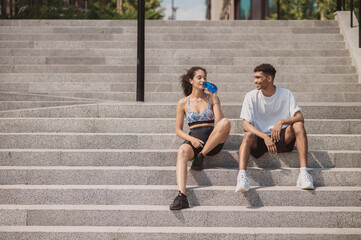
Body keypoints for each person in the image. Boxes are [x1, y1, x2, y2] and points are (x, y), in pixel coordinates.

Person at [235, 63, 314, 192]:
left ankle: (304, 174)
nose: (255, 81)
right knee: (248, 135)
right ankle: (242, 176)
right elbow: (245, 125)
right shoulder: (250, 96)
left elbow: (300, 118)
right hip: (261, 139)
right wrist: (265, 136)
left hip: (281, 137)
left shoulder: (285, 93)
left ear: (269, 78)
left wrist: (282, 121)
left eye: (259, 77)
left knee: (298, 125)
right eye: (254, 77)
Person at [169, 66, 231, 210]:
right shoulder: (183, 103)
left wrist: (215, 98)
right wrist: (191, 140)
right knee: (182, 152)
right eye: (199, 77)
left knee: (226, 122)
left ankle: (201, 156)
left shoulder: (211, 98)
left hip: (212, 141)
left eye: (204, 77)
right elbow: (178, 130)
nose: (203, 80)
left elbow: (220, 122)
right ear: (191, 80)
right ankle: (181, 196)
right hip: (195, 140)